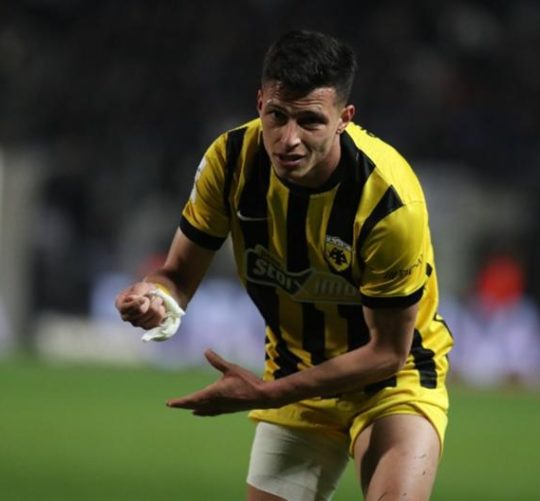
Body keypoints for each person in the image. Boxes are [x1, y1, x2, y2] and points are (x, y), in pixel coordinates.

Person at [116, 30, 453, 501]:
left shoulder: (388, 204)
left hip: (392, 382)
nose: (288, 139)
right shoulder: (229, 163)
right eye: (277, 115)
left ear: (344, 119)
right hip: (295, 371)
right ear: (260, 103)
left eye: (310, 121)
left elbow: (387, 352)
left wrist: (266, 394)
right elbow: (177, 275)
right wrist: (156, 298)